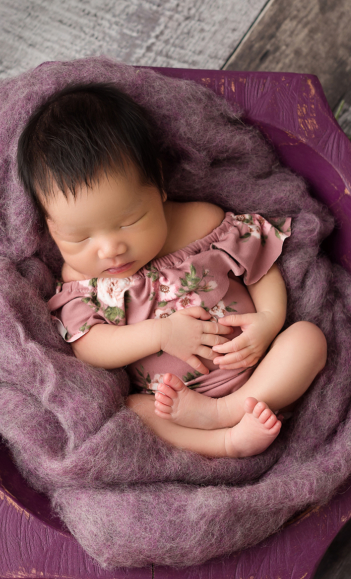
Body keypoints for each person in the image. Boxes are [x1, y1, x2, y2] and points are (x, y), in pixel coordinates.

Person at [19, 82, 328, 458]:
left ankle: (227, 411)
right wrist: (161, 334)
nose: (110, 249)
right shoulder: (82, 284)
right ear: (50, 231)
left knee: (308, 339)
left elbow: (260, 266)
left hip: (261, 372)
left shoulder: (201, 222)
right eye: (78, 238)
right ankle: (223, 443)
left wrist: (268, 320)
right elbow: (90, 346)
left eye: (129, 221)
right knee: (134, 411)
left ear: (160, 186)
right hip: (176, 406)